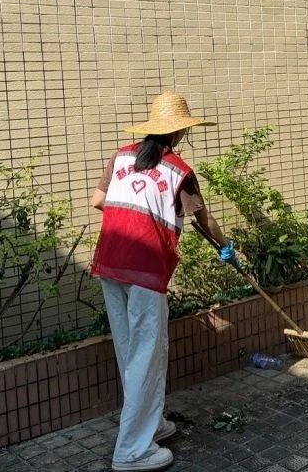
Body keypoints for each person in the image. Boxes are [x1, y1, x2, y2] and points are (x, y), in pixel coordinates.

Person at [90, 91, 233, 471]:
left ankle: (151, 424)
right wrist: (226, 246)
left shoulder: (121, 156)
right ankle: (132, 451)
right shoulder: (178, 170)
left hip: (110, 262)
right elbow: (204, 219)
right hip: (145, 268)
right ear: (181, 130)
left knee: (131, 351)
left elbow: (98, 200)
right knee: (147, 354)